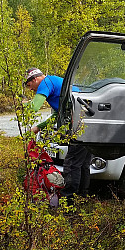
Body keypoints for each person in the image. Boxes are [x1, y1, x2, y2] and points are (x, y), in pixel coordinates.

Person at [24, 67, 91, 197]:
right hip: (86, 121)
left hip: (78, 123)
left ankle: (68, 198)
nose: (31, 89)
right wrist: (39, 127)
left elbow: (34, 107)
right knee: (83, 163)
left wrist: (22, 104)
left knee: (71, 163)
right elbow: (58, 115)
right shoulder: (54, 82)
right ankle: (83, 197)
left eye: (29, 85)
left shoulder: (46, 82)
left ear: (36, 79)